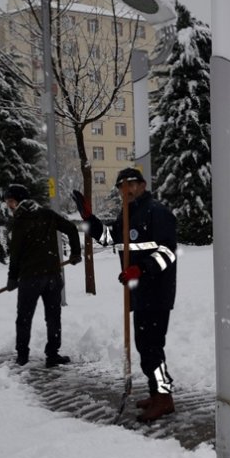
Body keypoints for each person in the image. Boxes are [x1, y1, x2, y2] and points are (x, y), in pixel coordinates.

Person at [75, 167, 178, 422]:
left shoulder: (157, 212)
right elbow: (110, 238)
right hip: (139, 293)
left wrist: (140, 269)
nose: (127, 189)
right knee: (146, 347)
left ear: (142, 185)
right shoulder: (127, 215)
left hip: (156, 291)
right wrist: (90, 220)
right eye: (122, 186)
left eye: (131, 184)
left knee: (152, 347)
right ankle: (159, 393)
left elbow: (168, 252)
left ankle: (163, 398)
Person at [5, 183, 81, 367]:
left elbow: (15, 252)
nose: (9, 206)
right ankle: (52, 355)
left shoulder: (20, 219)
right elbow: (71, 228)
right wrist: (75, 253)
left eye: (11, 201)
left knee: (24, 317)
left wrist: (12, 277)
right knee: (53, 316)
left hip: (30, 278)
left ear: (18, 201)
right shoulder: (47, 214)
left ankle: (22, 356)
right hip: (53, 276)